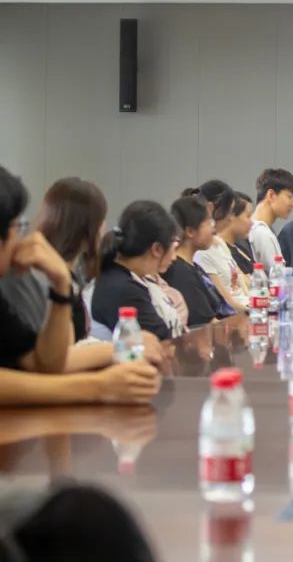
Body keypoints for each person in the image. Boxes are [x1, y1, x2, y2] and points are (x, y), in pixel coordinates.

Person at [0, 169, 160, 405]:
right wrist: (98, 385)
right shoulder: (24, 277)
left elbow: (43, 364)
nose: (21, 237)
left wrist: (61, 286)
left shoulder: (58, 276)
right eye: (17, 226)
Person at [0, 177, 107, 342]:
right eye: (15, 225)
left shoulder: (64, 275)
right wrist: (114, 348)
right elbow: (55, 353)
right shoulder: (42, 277)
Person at [92, 200, 184, 340]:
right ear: (157, 249)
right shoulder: (123, 290)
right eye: (174, 246)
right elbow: (160, 340)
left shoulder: (131, 278)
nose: (174, 257)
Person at [163, 196, 231, 329]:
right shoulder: (181, 274)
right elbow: (207, 324)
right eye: (209, 223)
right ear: (190, 231)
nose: (214, 230)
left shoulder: (192, 266)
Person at [188, 181, 248, 311]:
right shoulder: (202, 251)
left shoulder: (219, 242)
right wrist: (253, 311)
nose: (231, 218)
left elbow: (240, 277)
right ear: (214, 209)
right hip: (234, 314)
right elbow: (226, 302)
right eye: (230, 212)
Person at [249, 168, 293, 268]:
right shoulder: (262, 233)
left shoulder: (254, 228)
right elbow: (278, 275)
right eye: (289, 197)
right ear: (271, 195)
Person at [223, 192, 255, 276]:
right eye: (248, 216)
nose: (252, 222)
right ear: (232, 216)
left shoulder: (240, 248)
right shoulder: (223, 253)